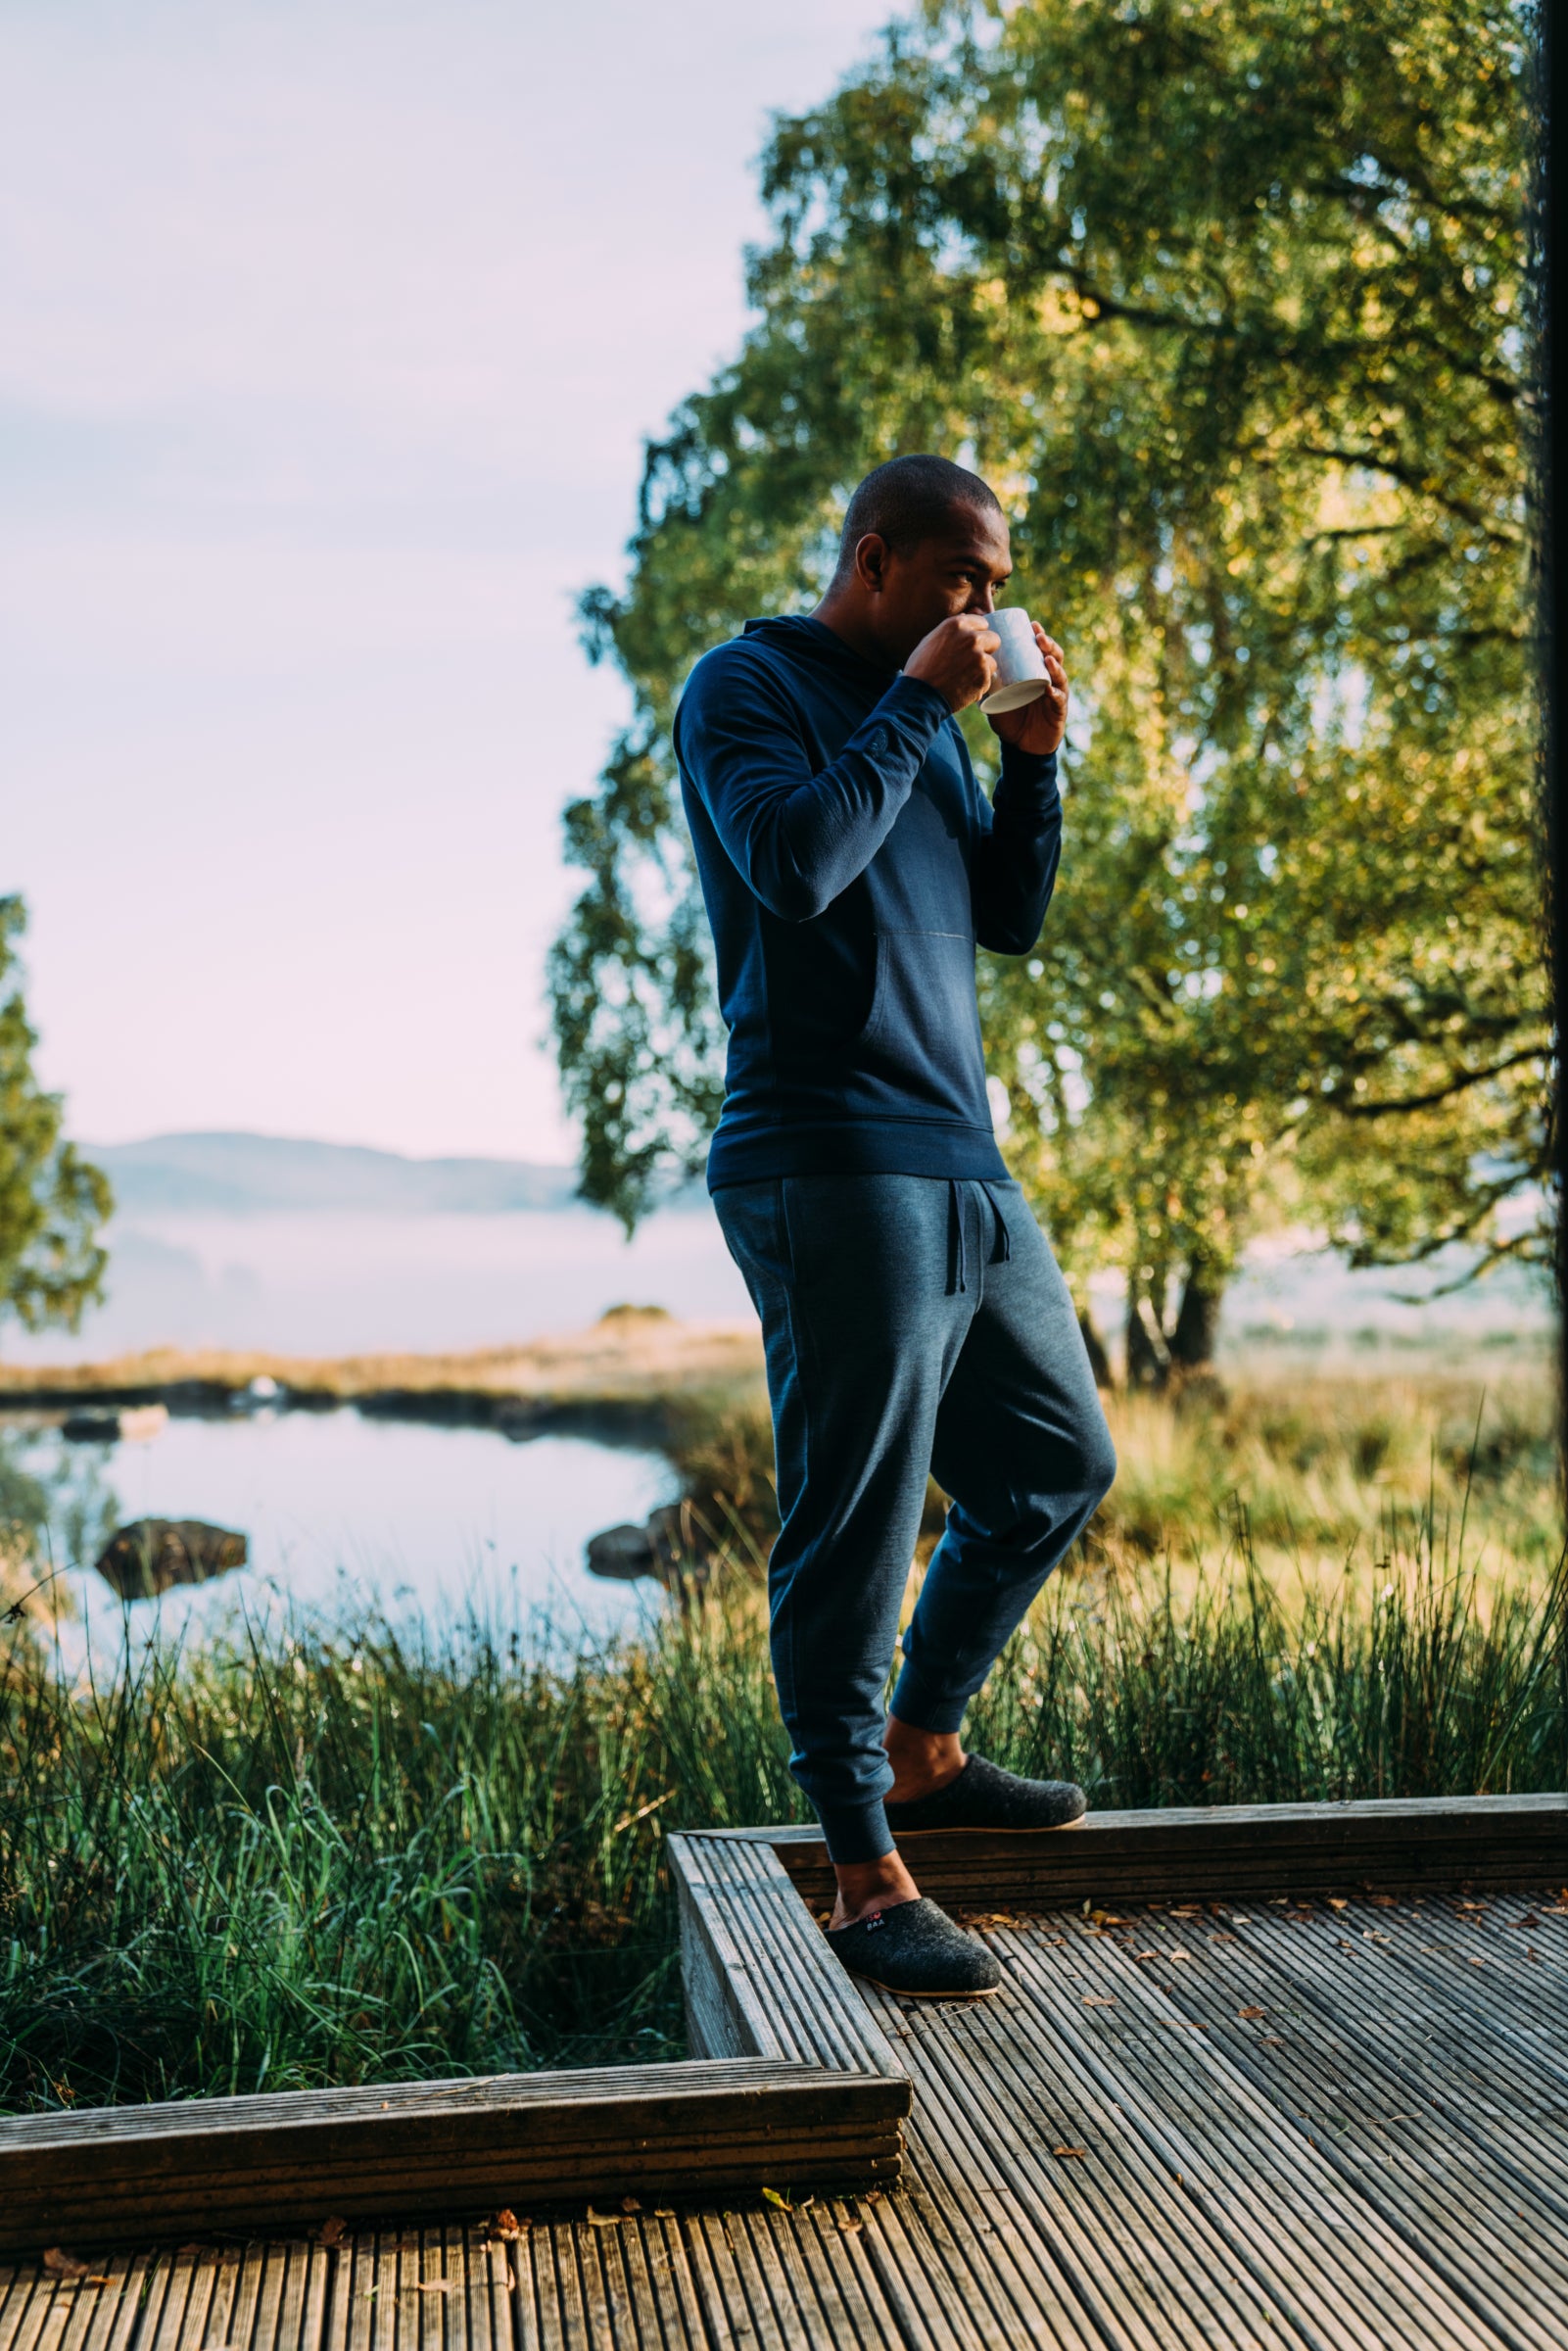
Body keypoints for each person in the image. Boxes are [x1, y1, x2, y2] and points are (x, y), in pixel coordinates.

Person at [673, 455, 1117, 1996]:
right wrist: (924, 704)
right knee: (854, 1519)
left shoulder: (922, 720)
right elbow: (792, 867)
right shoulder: (743, 686)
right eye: (964, 580)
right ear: (876, 560)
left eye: (993, 587)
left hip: (961, 1160)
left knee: (1058, 1466)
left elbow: (1005, 917)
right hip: (823, 1156)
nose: (984, 609)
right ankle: (863, 1874)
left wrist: (1034, 765)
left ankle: (924, 1748)